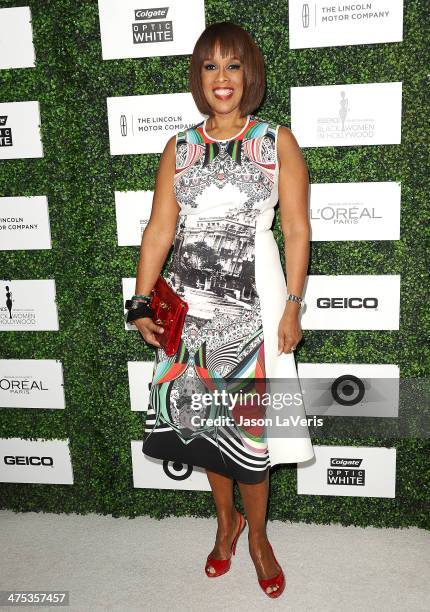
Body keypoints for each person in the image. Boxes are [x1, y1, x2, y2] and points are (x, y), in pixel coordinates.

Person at [126, 21, 315, 599]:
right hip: (192, 306)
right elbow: (161, 228)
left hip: (257, 300)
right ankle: (224, 521)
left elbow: (297, 229)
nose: (222, 78)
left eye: (233, 65)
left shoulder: (275, 140)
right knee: (207, 424)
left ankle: (257, 536)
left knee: (252, 433)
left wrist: (292, 305)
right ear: (198, 78)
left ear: (249, 73)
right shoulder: (179, 148)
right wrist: (139, 300)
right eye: (210, 67)